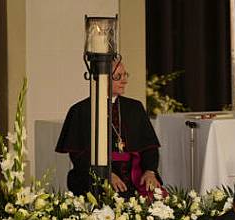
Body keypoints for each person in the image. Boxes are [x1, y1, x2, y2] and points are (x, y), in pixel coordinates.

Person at [56, 61, 162, 197]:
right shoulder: (80, 110)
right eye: (118, 76)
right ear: (102, 79)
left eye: (125, 75)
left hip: (134, 175)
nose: (124, 81)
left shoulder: (135, 108)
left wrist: (150, 171)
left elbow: (149, 147)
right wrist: (105, 174)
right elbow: (79, 156)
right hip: (95, 176)